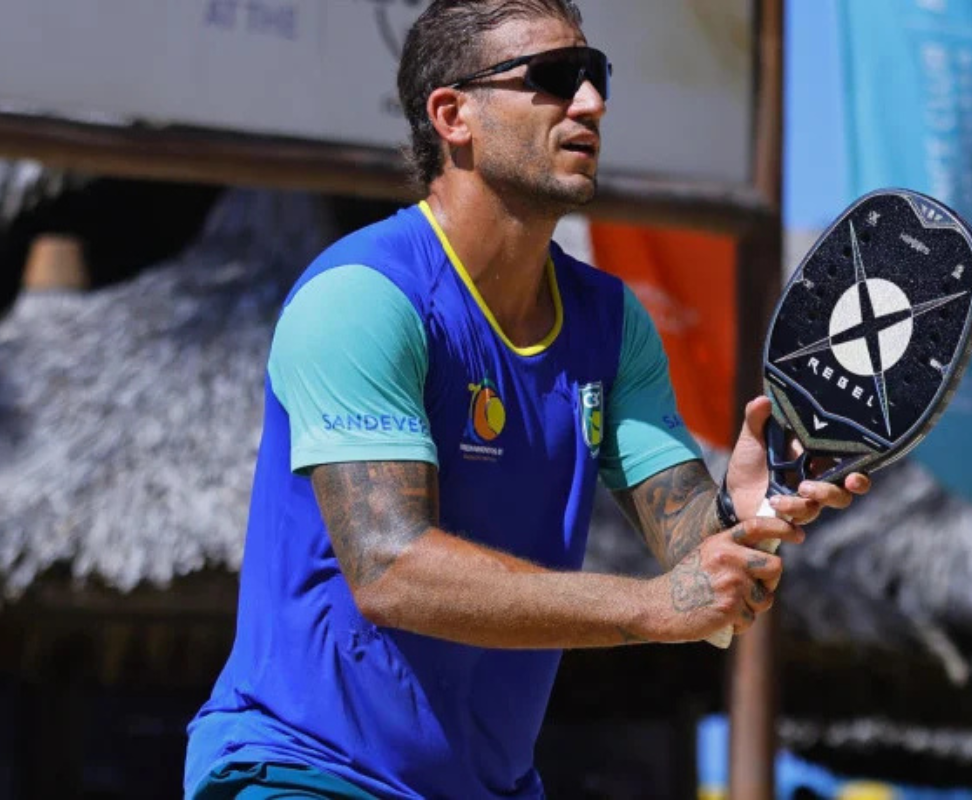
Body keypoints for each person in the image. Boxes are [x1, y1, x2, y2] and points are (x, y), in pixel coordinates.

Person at [184, 1, 870, 798]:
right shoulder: (363, 297)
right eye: (554, 79)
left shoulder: (612, 325)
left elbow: (694, 561)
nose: (590, 103)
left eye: (595, 76)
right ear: (453, 115)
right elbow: (390, 569)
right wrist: (650, 607)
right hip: (306, 771)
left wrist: (745, 520)